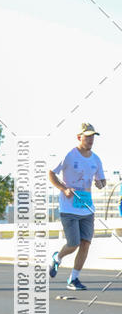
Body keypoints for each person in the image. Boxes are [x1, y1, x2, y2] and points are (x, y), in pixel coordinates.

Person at [49, 123, 106, 290]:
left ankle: (73, 279)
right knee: (73, 244)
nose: (90, 139)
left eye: (92, 136)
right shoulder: (68, 155)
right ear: (79, 137)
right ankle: (57, 257)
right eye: (87, 136)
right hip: (68, 208)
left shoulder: (96, 159)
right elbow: (51, 173)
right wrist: (64, 189)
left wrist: (100, 184)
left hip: (87, 208)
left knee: (86, 243)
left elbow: (102, 181)